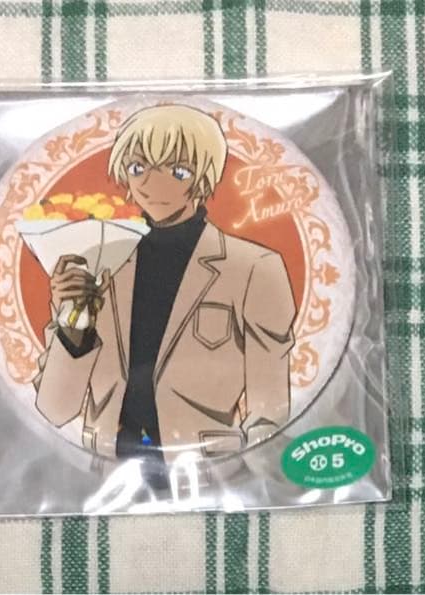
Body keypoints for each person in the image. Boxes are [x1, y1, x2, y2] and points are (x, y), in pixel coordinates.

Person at [33, 104, 296, 482]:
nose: (152, 186)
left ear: (204, 176)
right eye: (138, 168)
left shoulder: (254, 267)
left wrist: (249, 477)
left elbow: (270, 405)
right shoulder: (102, 259)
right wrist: (72, 324)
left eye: (178, 171)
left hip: (211, 472)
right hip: (103, 473)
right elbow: (55, 408)